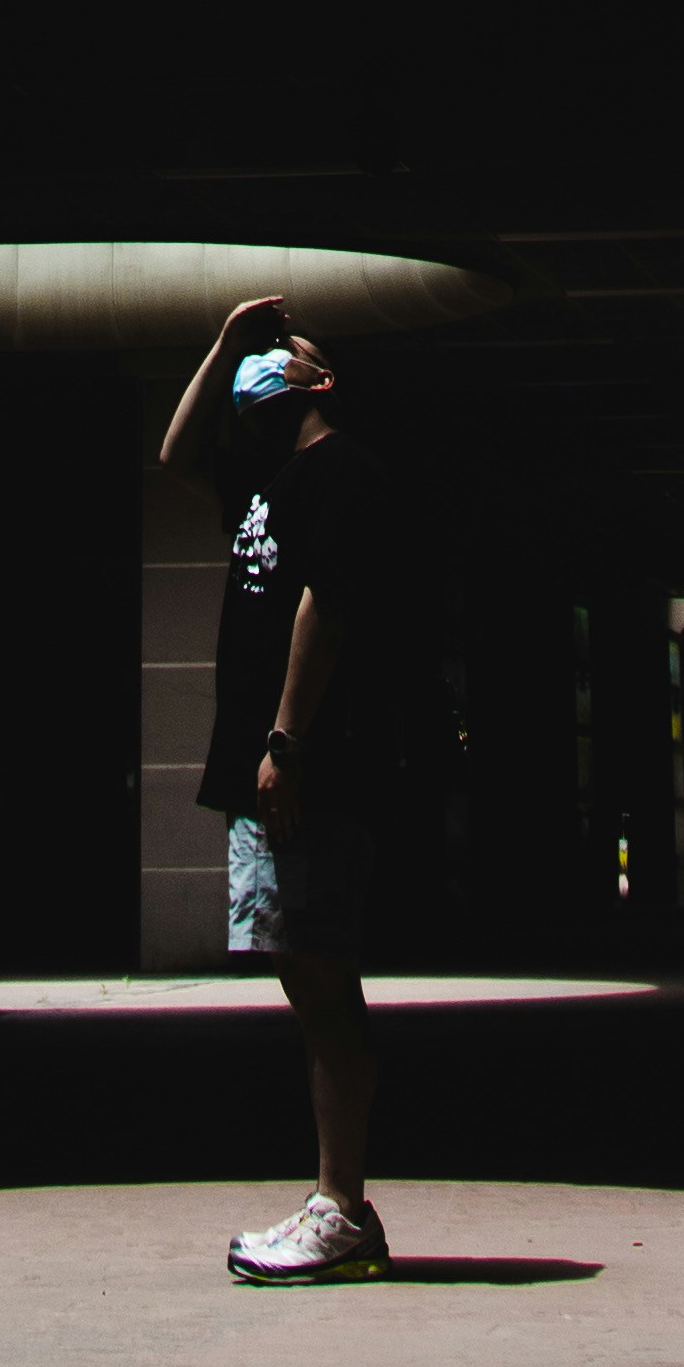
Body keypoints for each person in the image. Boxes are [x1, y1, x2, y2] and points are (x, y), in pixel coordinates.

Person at [160, 288, 392, 1284]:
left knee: (324, 975)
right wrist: (224, 342)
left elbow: (326, 604)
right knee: (302, 976)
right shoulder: (262, 476)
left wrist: (288, 740)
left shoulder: (339, 468)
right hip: (265, 770)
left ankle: (341, 1205)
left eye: (277, 353)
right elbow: (174, 452)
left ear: (321, 378)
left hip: (303, 765)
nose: (261, 363)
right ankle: (336, 1204)